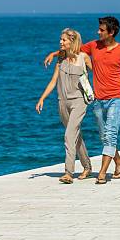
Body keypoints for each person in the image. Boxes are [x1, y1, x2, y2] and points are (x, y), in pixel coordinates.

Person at [44, 16, 120, 185]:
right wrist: (54, 53)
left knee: (110, 134)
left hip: (117, 98)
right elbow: (73, 49)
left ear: (111, 33)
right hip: (98, 99)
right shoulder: (94, 45)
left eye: (102, 30)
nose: (98, 32)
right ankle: (118, 162)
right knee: (104, 136)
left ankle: (102, 173)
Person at [36, 28, 93, 184]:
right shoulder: (61, 58)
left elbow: (100, 74)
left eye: (64, 40)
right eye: (60, 40)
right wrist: (42, 98)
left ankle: (68, 173)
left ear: (72, 41)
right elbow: (54, 81)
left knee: (69, 135)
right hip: (62, 102)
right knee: (75, 135)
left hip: (79, 102)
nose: (60, 42)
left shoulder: (84, 58)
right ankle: (87, 166)